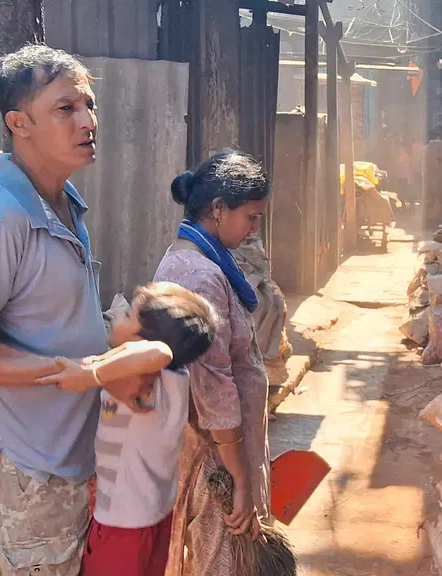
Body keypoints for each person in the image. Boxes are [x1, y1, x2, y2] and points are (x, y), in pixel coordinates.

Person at [0, 45, 147, 575]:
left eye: (89, 105)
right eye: (65, 109)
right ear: (19, 123)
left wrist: (110, 342)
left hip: (68, 456)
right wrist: (70, 372)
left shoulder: (63, 202)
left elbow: (51, 319)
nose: (88, 121)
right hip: (27, 468)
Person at [38, 282, 217, 576]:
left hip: (123, 528)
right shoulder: (173, 380)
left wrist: (89, 375)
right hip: (154, 519)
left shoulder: (148, 380)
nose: (117, 312)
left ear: (141, 341)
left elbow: (158, 352)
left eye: (128, 315)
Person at [154, 150, 272, 575]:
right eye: (252, 217)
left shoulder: (193, 258)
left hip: (212, 445)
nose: (255, 229)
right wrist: (239, 478)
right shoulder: (200, 275)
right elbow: (212, 384)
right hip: (212, 453)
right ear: (218, 209)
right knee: (219, 560)